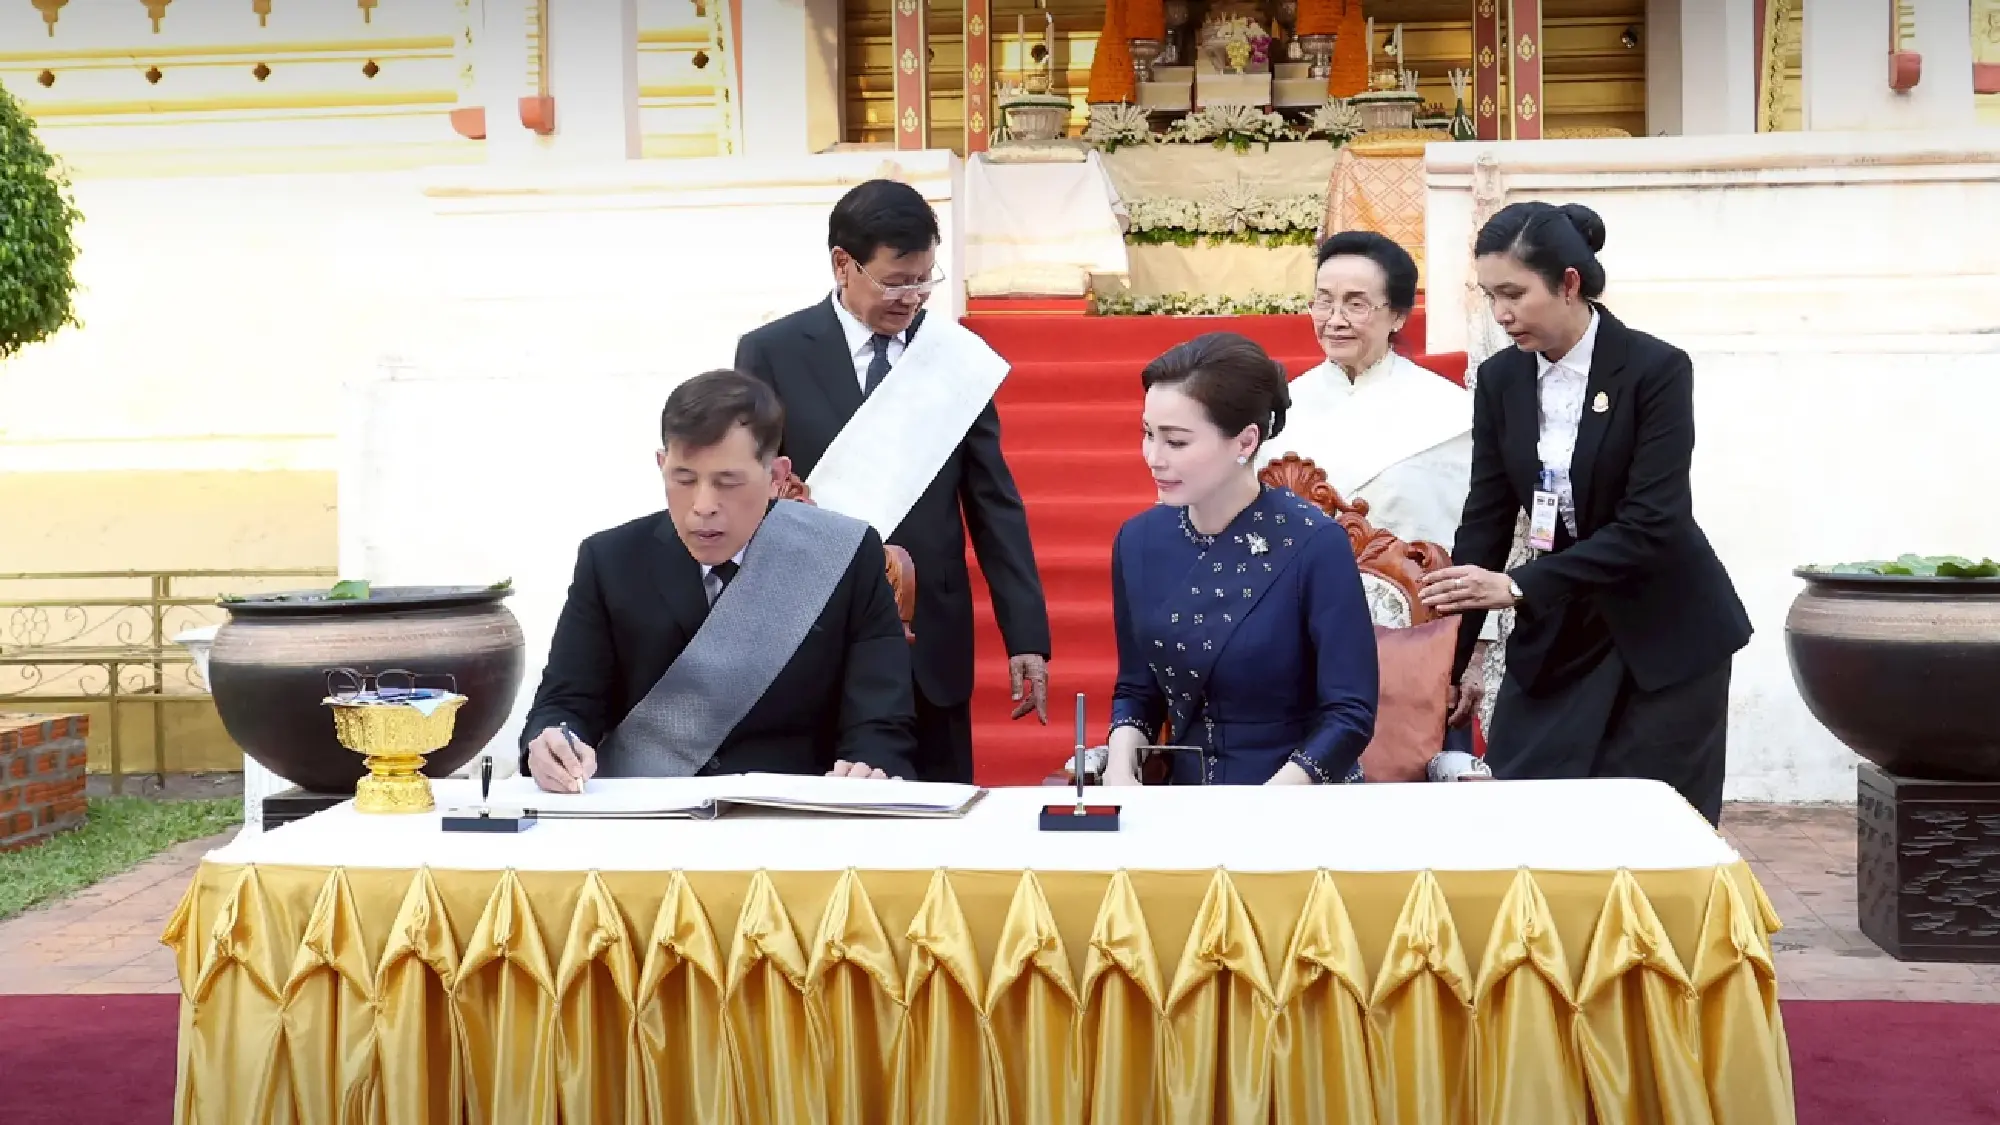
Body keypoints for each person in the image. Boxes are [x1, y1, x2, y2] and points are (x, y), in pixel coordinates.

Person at [1419, 202, 1751, 825]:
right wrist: (1453, 659)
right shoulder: (1499, 381)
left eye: (1515, 293)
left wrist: (1518, 585)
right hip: (1560, 629)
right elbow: (1485, 522)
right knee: (1532, 815)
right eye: (1491, 296)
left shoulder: (1655, 369)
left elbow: (1654, 522)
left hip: (1663, 635)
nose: (1501, 314)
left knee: (1651, 831)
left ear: (1569, 282)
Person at [734, 179, 1052, 784]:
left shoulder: (954, 356)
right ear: (842, 265)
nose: (912, 298)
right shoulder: (771, 352)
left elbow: (993, 503)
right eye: (895, 281)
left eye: (924, 280)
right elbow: (751, 490)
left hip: (931, 637)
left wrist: (1026, 635)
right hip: (817, 627)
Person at [518, 370, 918, 793]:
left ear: (777, 476)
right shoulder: (611, 560)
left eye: (728, 482)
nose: (703, 506)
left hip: (793, 817)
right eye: (684, 479)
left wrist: (867, 768)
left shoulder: (844, 555)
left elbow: (880, 723)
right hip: (646, 818)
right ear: (661, 465)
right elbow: (565, 703)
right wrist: (553, 743)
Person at [1103, 332, 1379, 786]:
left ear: (1245, 441)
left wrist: (1269, 802)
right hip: (1182, 802)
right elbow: (1137, 688)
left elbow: (1349, 713)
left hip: (1295, 800)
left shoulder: (1315, 543)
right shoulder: (1138, 542)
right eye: (1148, 434)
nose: (1153, 458)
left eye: (1176, 442)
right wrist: (1120, 768)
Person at [1274, 230, 1494, 757]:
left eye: (1356, 303)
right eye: (1323, 301)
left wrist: (1476, 654)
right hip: (1296, 649)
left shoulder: (1449, 415)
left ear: (1397, 314)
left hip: (1417, 649)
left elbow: (1491, 539)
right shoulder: (1279, 408)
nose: (1334, 318)